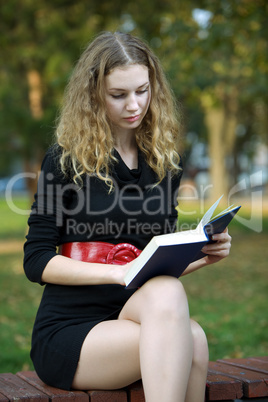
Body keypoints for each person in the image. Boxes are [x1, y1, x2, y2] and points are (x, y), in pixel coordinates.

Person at [23, 31, 232, 402]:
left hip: (138, 312)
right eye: (118, 95)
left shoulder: (165, 163)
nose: (134, 105)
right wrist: (117, 272)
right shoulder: (65, 159)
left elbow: (156, 264)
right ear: (93, 96)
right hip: (73, 329)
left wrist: (203, 252)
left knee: (178, 313)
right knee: (191, 339)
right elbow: (36, 259)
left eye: (143, 90)